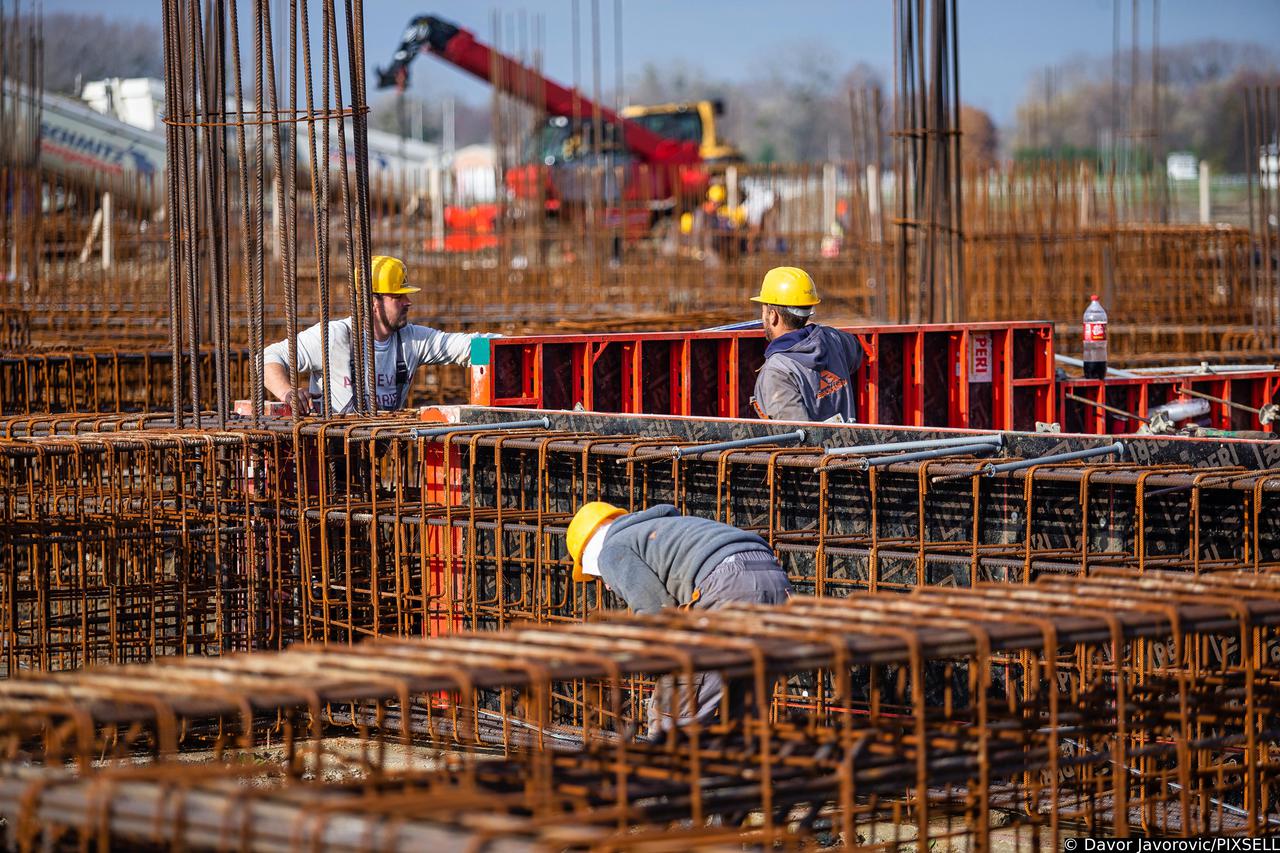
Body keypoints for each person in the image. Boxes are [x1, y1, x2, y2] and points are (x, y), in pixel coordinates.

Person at [565, 501, 792, 736]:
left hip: (728, 586)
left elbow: (656, 611)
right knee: (744, 716)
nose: (608, 587)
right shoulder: (661, 528)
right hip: (777, 584)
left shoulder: (611, 550)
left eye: (598, 579)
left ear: (589, 556)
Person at [263, 255, 494, 414]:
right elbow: (267, 358)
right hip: (329, 455)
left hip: (376, 450)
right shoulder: (335, 337)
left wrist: (513, 346)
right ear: (373, 302)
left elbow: (466, 347)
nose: (408, 302)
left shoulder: (411, 339)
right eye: (398, 297)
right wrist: (287, 393)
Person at [749, 266, 863, 423]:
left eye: (763, 311)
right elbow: (857, 352)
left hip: (815, 449)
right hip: (848, 446)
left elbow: (796, 436)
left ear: (773, 316)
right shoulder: (833, 338)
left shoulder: (777, 372)